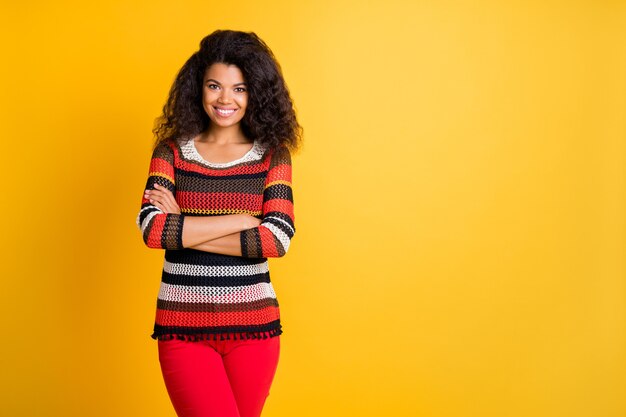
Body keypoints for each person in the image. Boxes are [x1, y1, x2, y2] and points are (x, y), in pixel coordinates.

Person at [135, 29, 302, 417]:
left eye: (239, 89)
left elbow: (275, 240)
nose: (225, 99)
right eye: (214, 86)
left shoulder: (273, 157)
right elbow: (153, 231)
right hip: (182, 328)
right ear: (198, 88)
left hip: (255, 330)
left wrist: (184, 224)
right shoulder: (171, 153)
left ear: (256, 93)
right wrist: (240, 221)